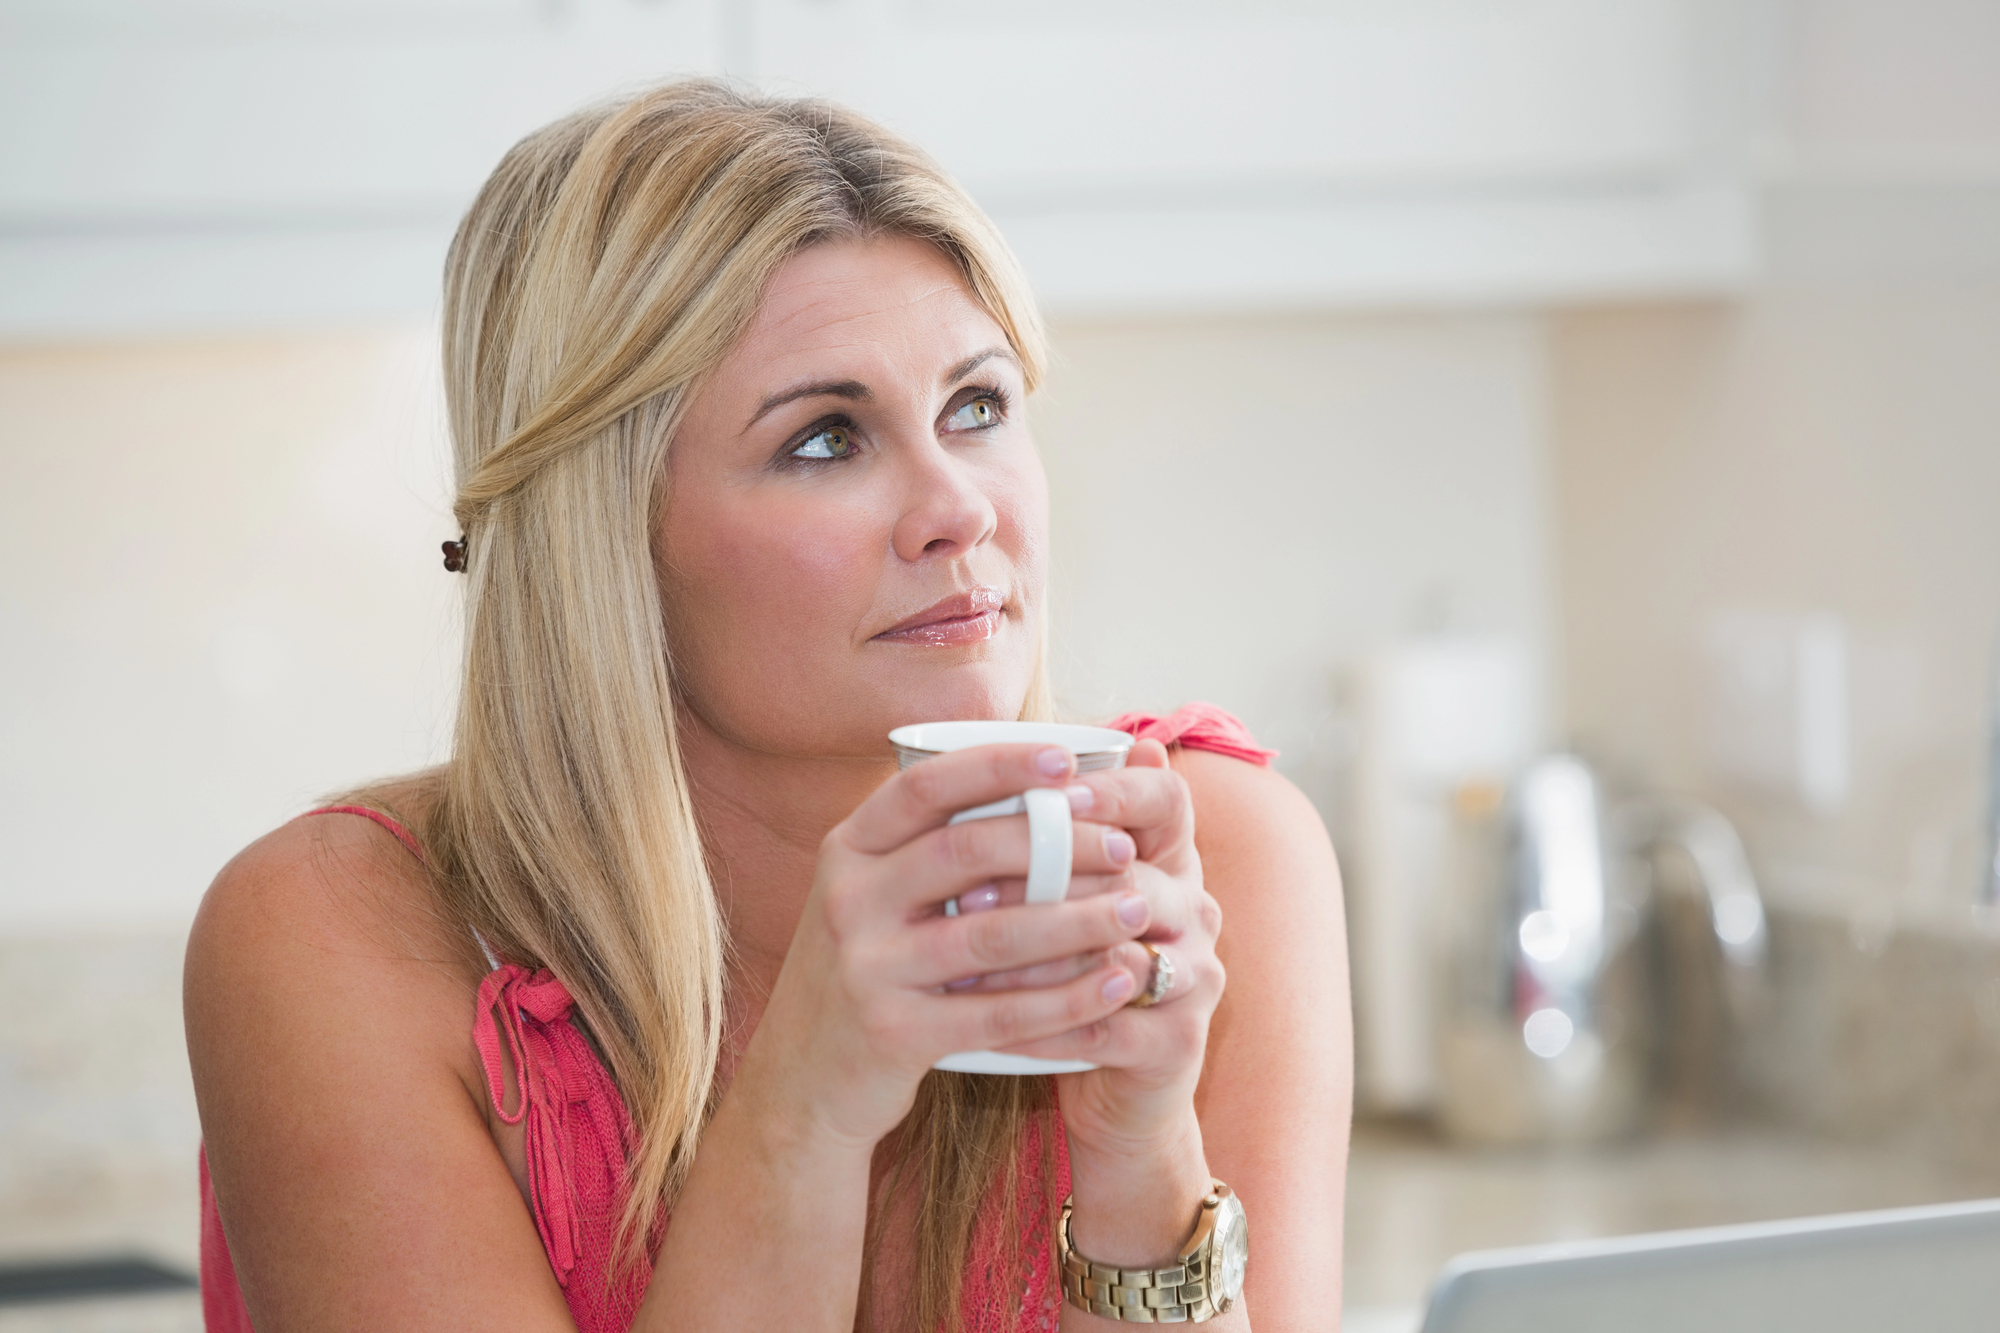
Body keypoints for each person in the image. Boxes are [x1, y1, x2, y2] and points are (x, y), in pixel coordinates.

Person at [182, 79, 1350, 1333]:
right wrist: (807, 1103)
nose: (958, 505)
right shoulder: (337, 943)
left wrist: (1139, 1155)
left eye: (977, 406)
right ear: (609, 542)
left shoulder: (1211, 860)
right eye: (824, 439)